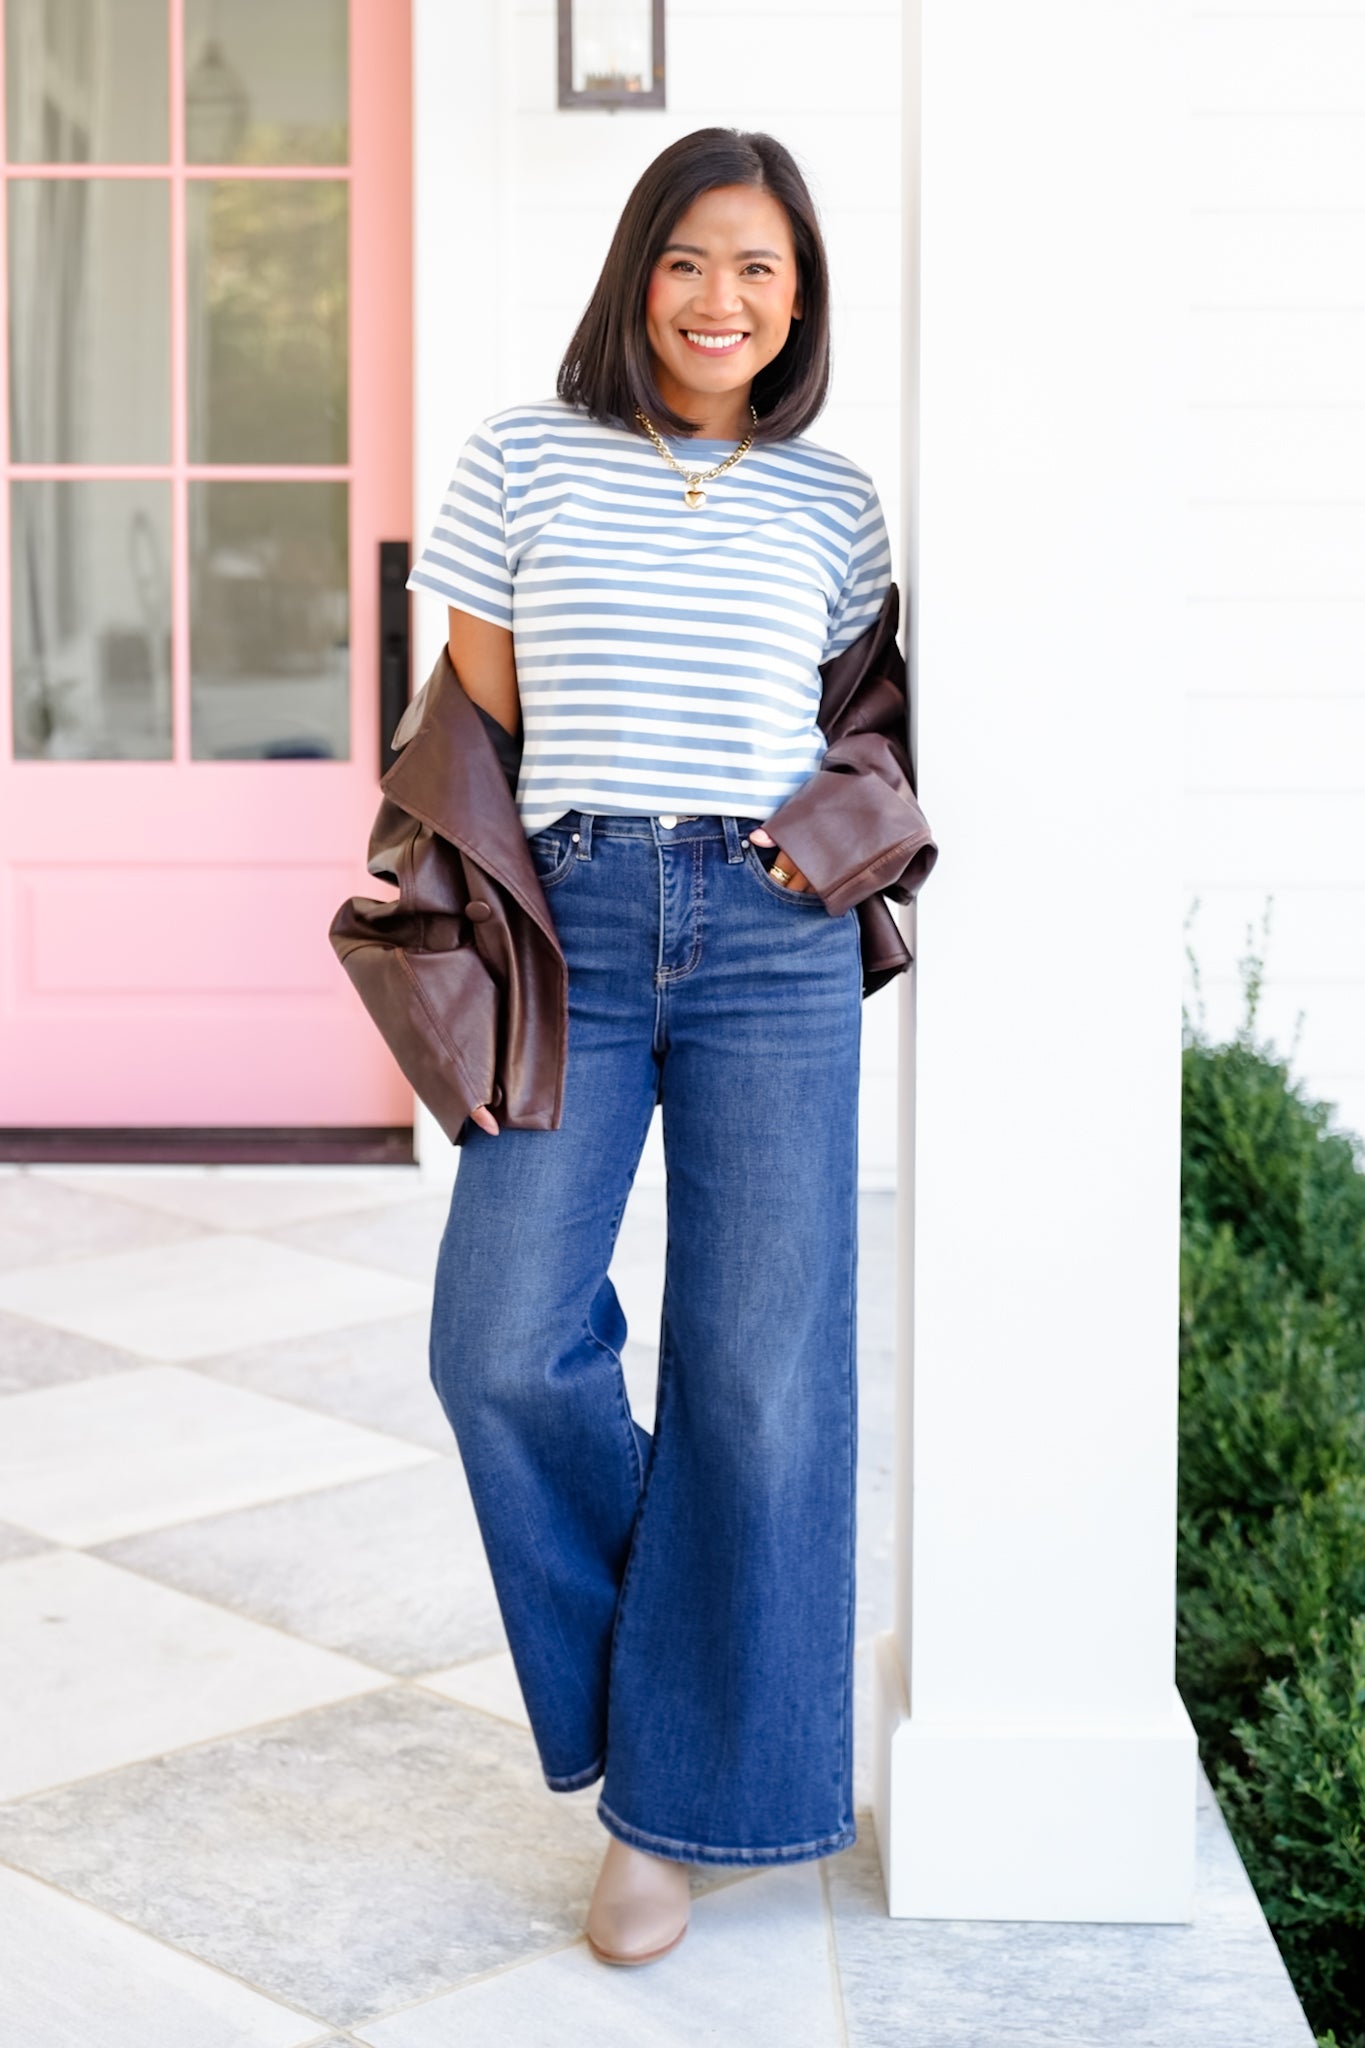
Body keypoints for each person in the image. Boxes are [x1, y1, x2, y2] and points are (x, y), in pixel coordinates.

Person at [406, 127, 902, 1966]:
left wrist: (774, 855)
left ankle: (668, 1815)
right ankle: (685, 1687)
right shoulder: (519, 456)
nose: (720, 299)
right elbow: (487, 706)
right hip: (580, 916)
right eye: (690, 259)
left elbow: (854, 721)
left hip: (775, 932)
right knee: (497, 1345)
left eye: (759, 268)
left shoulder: (836, 503)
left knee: (759, 1379)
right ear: (637, 272)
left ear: (798, 298)